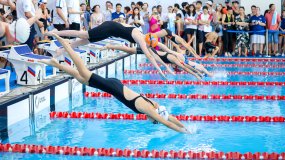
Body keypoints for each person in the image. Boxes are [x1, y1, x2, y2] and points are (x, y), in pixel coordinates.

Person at [40, 33, 192, 134]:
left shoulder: (155, 105)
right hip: (112, 87)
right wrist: (184, 133)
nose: (151, 121)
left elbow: (169, 117)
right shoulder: (149, 109)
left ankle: (56, 64)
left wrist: (185, 127)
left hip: (115, 85)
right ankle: (65, 44)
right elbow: (166, 123)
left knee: (81, 78)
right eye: (153, 122)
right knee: (83, 71)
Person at [45, 21, 171, 78]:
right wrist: (160, 70)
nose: (148, 48)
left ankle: (60, 51)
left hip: (110, 30)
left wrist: (166, 66)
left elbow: (154, 53)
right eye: (149, 46)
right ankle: (55, 33)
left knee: (84, 42)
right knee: (83, 35)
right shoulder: (141, 39)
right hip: (108, 27)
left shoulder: (144, 36)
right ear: (148, 42)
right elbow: (150, 56)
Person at [99, 43, 204, 79]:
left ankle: (110, 46)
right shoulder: (173, 58)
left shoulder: (174, 58)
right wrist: (195, 75)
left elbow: (185, 66)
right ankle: (109, 46)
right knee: (129, 50)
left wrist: (197, 72)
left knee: (129, 50)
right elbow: (185, 67)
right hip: (151, 53)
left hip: (153, 52)